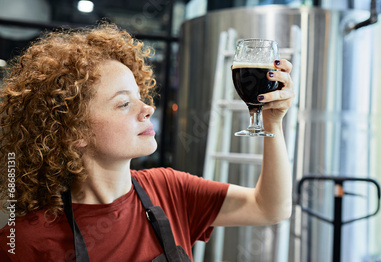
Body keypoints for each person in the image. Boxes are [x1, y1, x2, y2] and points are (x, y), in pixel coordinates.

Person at [0, 22, 294, 261]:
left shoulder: (169, 189)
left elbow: (269, 207)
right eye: (124, 103)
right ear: (74, 132)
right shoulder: (23, 244)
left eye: (140, 96)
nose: (148, 108)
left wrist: (273, 122)